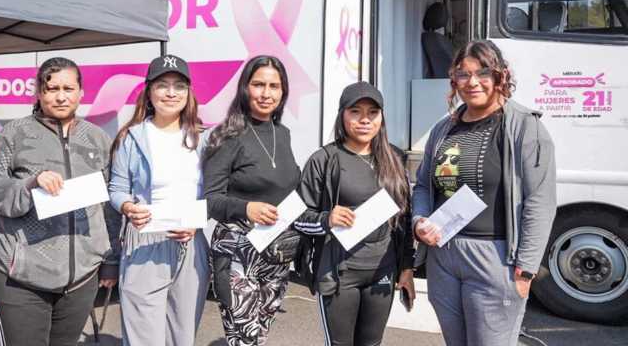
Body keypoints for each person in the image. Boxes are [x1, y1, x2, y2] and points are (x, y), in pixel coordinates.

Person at [412, 40, 556, 346]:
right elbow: (424, 185)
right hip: (444, 256)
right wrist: (419, 221)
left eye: (482, 73)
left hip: (495, 258)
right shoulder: (443, 128)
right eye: (463, 74)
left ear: (500, 75)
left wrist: (526, 269)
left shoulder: (523, 127)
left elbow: (540, 201)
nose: (472, 82)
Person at [0, 57, 120, 346]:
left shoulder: (98, 139)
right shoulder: (15, 134)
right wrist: (29, 184)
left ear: (81, 92)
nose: (61, 96)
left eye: (68, 88)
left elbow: (108, 207)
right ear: (39, 92)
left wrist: (110, 260)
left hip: (81, 278)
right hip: (21, 278)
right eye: (52, 89)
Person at [294, 81, 415, 346]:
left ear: (381, 117)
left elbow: (404, 220)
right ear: (342, 115)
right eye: (355, 111)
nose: (365, 120)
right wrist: (326, 219)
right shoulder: (324, 159)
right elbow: (297, 218)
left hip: (382, 271)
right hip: (340, 274)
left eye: (373, 112)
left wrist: (406, 267)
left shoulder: (395, 158)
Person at [109, 54, 210, 346]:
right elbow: (117, 188)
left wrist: (196, 222)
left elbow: (214, 193)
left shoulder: (203, 138)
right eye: (162, 85)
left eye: (179, 86)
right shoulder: (131, 137)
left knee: (182, 336)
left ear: (188, 92)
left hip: (191, 243)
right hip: (145, 241)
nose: (171, 93)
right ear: (149, 92)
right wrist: (127, 206)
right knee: (144, 338)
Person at [203, 55, 301, 346]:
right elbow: (209, 200)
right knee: (244, 338)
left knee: (261, 336)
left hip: (276, 254)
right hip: (237, 251)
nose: (266, 93)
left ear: (283, 91)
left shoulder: (283, 134)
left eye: (274, 86)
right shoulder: (227, 136)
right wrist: (246, 208)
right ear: (245, 87)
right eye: (258, 84)